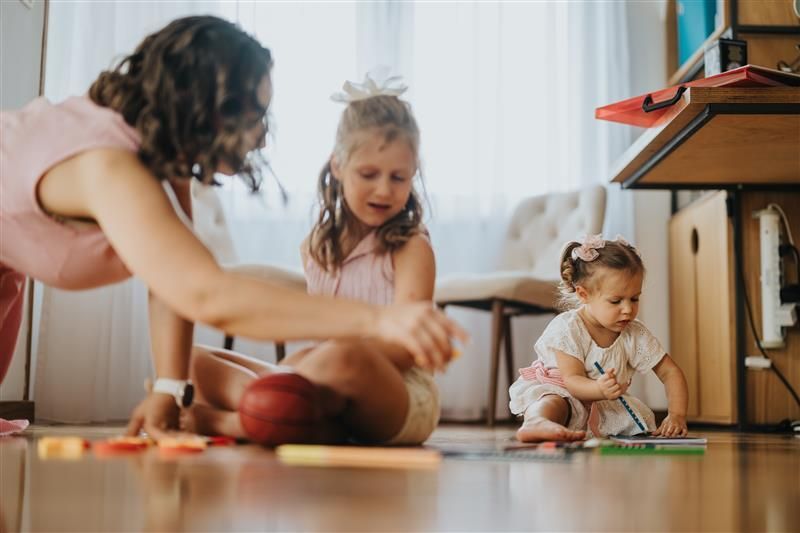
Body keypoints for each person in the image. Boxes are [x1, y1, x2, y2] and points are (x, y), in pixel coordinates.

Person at [0, 16, 466, 440]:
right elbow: (206, 293)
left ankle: (261, 414)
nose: (262, 135)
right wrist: (380, 320)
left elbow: (172, 284)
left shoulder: (158, 157)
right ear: (204, 104)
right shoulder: (107, 165)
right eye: (253, 114)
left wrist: (170, 385)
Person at [182, 73, 448, 445]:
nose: (384, 189)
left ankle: (236, 420)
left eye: (399, 177)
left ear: (413, 174)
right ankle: (268, 412)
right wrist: (304, 367)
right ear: (338, 166)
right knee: (191, 358)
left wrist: (313, 363)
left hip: (397, 392)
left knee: (341, 358)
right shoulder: (316, 246)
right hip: (324, 380)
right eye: (368, 174)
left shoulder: (411, 246)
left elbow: (406, 349)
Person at [509, 235, 689, 442]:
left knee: (638, 420)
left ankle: (567, 428)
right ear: (583, 295)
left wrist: (677, 415)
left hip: (602, 401)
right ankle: (537, 422)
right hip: (565, 389)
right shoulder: (568, 328)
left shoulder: (634, 333)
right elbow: (572, 380)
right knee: (556, 401)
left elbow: (670, 372)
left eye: (634, 298)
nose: (628, 309)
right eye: (615, 301)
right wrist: (598, 388)